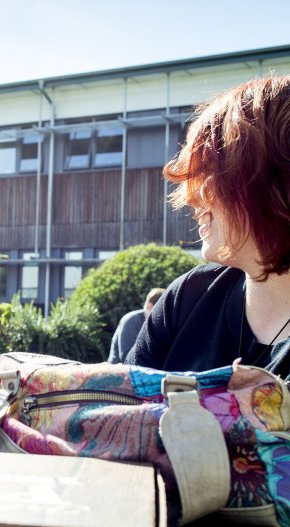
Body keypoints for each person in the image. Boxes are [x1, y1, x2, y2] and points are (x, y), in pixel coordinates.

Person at [126, 76, 290, 380]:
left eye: (211, 177)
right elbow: (117, 416)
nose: (193, 197)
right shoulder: (186, 299)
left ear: (273, 184)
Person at [107, 288, 164, 364]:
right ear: (150, 306)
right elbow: (126, 357)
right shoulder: (130, 321)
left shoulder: (158, 325)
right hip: (119, 371)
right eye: (162, 311)